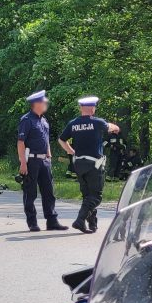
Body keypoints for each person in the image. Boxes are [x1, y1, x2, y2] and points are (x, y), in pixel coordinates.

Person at [58, 96, 120, 233]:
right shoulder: (98, 122)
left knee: (88, 196)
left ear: (81, 108)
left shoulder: (73, 123)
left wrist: (71, 151)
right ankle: (80, 220)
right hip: (94, 164)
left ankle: (92, 224)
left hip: (79, 164)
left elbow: (61, 140)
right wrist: (116, 127)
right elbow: (112, 127)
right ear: (92, 109)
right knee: (96, 196)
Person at [17, 90, 68, 232]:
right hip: (31, 160)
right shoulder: (26, 120)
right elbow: (21, 142)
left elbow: (46, 140)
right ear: (36, 104)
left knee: (49, 192)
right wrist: (23, 163)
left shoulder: (44, 120)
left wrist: (49, 155)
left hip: (44, 161)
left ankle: (52, 221)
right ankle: (32, 222)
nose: (46, 104)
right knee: (30, 192)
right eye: (44, 102)